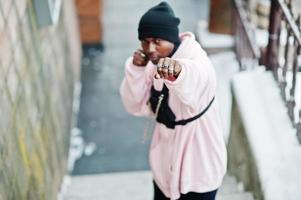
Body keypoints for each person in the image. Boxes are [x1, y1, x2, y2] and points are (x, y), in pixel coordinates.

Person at [120, 2, 227, 200]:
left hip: (198, 168)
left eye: (157, 41)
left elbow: (199, 77)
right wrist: (135, 70)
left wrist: (178, 73)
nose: (150, 48)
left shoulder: (196, 59)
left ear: (170, 38)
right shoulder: (152, 64)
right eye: (144, 41)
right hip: (164, 165)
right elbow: (134, 105)